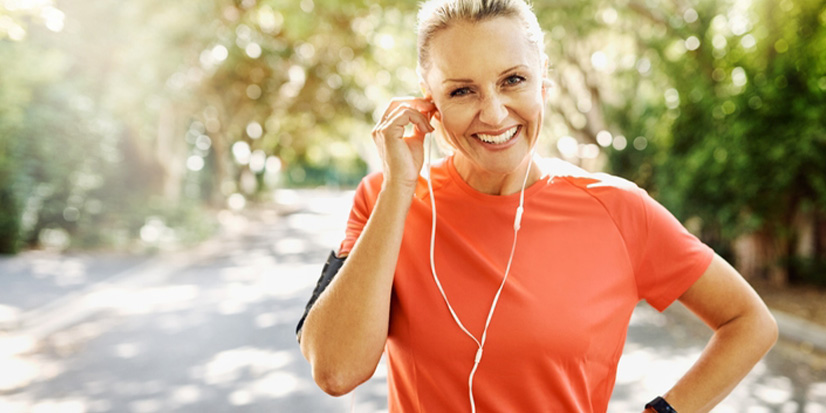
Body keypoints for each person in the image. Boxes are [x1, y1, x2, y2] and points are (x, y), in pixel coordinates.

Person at [296, 0, 778, 411]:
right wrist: (400, 185)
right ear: (429, 104)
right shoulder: (386, 198)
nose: (494, 112)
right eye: (462, 91)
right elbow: (335, 371)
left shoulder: (619, 210)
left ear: (543, 81)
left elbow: (749, 322)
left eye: (513, 80)